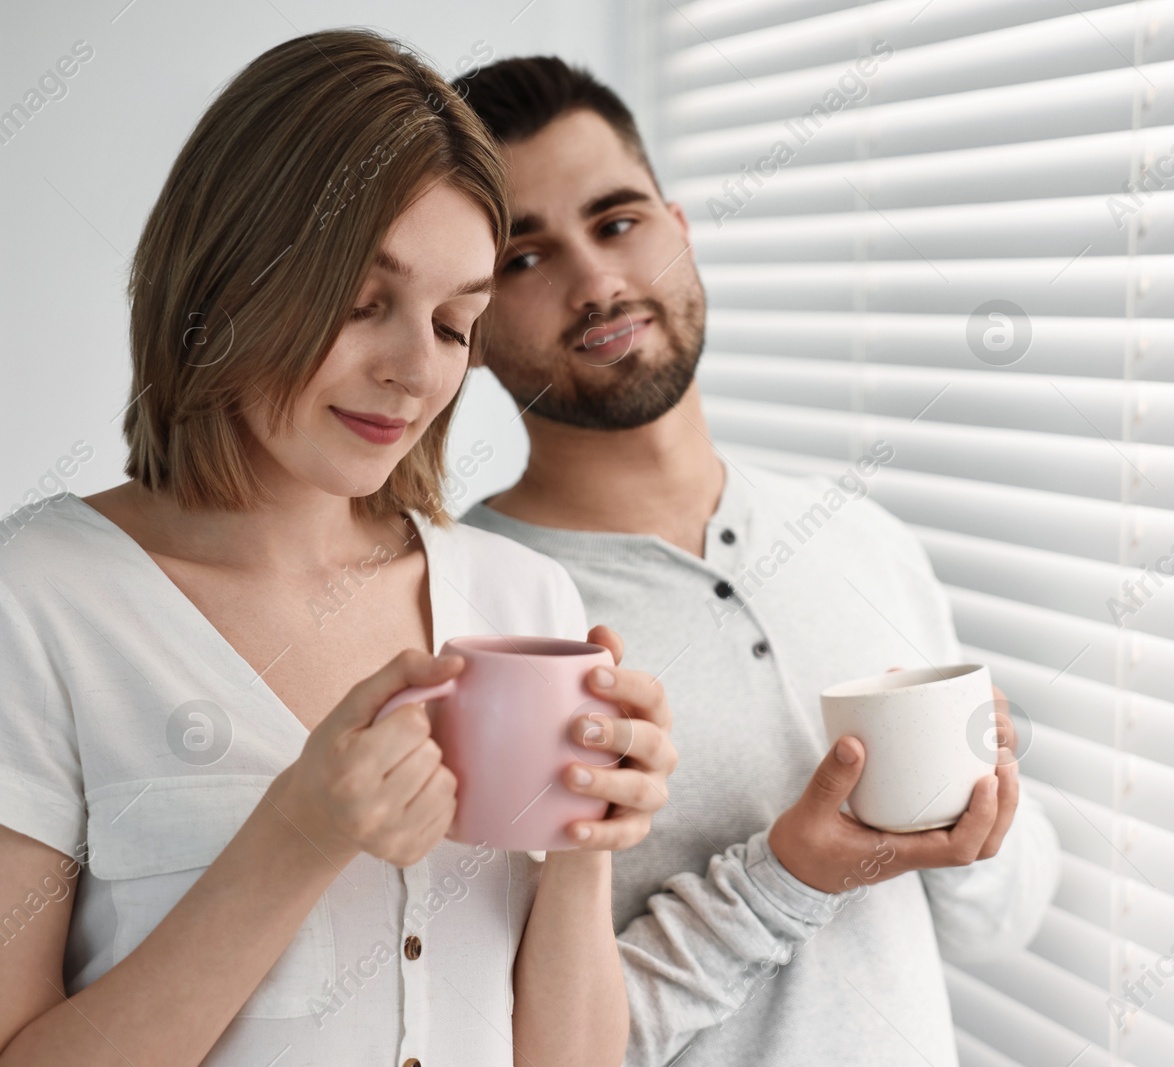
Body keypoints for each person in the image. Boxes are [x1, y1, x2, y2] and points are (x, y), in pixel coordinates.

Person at [0, 31, 676, 1067]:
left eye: (456, 324)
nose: (415, 369)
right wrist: (296, 839)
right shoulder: (39, 603)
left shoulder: (521, 596)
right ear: (226, 274)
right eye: (367, 304)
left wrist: (587, 848)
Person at [452, 57, 1061, 1067]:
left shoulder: (860, 537)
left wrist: (973, 821)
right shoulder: (477, 616)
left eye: (616, 222)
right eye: (525, 259)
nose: (596, 281)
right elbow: (520, 1046)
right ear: (464, 321)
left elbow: (999, 923)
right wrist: (788, 874)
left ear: (680, 231)